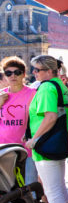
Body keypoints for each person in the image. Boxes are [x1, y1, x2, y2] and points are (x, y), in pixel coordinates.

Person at [25, 55, 68, 203]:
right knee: (59, 189)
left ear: (49, 71)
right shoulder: (60, 85)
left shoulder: (46, 88)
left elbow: (50, 116)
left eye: (37, 69)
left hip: (46, 145)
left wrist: (34, 139)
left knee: (53, 193)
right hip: (60, 143)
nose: (34, 72)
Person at [0, 56, 38, 185]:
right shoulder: (1, 94)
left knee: (29, 187)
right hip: (4, 149)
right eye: (8, 73)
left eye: (17, 72)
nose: (13, 76)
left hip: (26, 149)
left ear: (24, 74)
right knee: (7, 189)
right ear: (4, 75)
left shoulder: (33, 93)